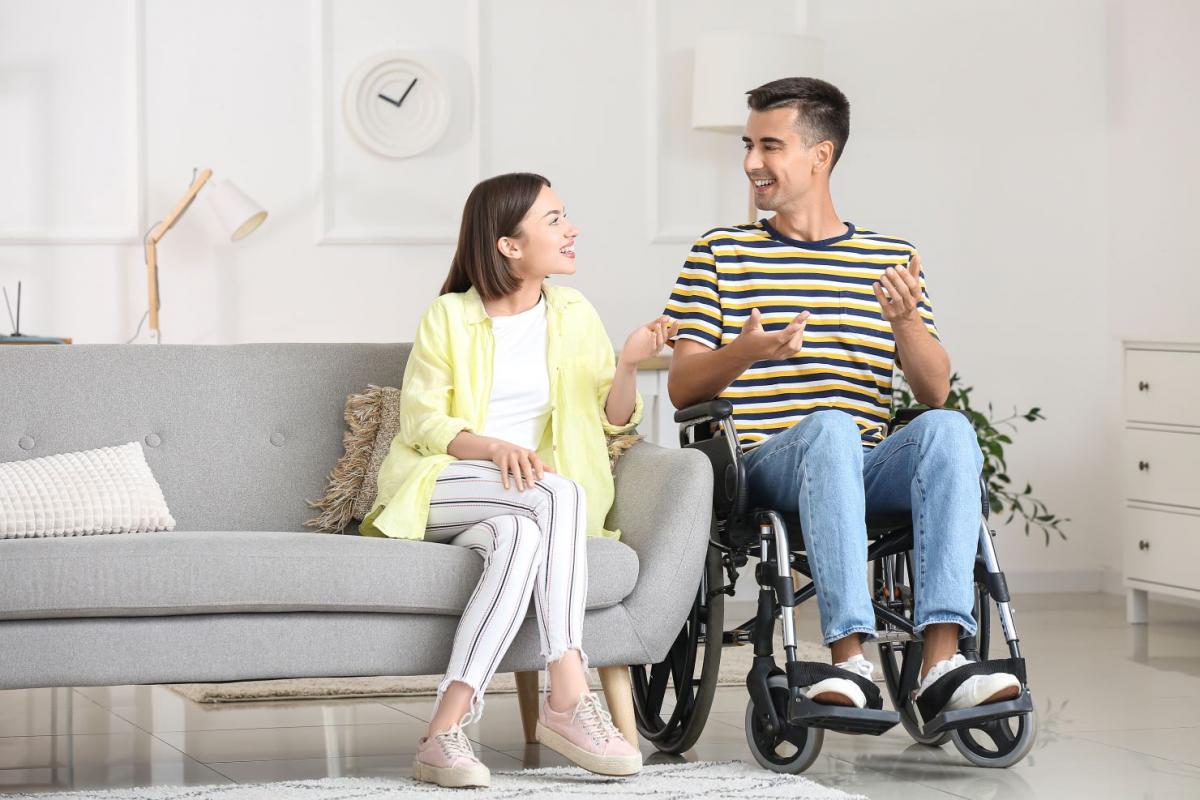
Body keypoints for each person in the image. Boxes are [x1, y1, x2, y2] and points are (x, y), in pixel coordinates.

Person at [662, 77, 1020, 718]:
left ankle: (942, 659)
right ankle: (848, 658)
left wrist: (906, 321)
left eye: (769, 145)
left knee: (950, 430)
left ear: (819, 155)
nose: (751, 163)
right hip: (766, 464)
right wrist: (745, 352)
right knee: (829, 428)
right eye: (749, 144)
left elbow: (934, 390)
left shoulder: (891, 257)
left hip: (863, 465)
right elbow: (683, 389)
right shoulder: (720, 253)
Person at [362, 172, 672, 788]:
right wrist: (495, 447)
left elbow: (611, 421)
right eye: (555, 219)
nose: (572, 228)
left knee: (524, 539)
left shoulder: (574, 313)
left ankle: (442, 733)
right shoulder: (448, 317)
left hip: (522, 505)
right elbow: (423, 420)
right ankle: (568, 690)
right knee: (558, 491)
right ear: (508, 243)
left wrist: (630, 363)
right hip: (445, 482)